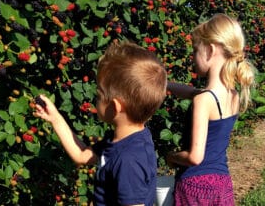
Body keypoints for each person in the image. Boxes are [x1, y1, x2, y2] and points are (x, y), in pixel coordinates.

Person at [34, 41, 167, 206]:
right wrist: (55, 118)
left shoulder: (129, 160)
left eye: (99, 95)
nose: (95, 99)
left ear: (115, 107)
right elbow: (82, 156)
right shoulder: (121, 139)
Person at [166, 13, 256, 205]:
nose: (192, 57)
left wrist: (171, 156)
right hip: (222, 183)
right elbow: (192, 92)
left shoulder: (203, 100)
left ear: (210, 50)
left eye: (195, 50)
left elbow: (195, 157)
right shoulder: (233, 96)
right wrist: (164, 84)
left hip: (195, 186)